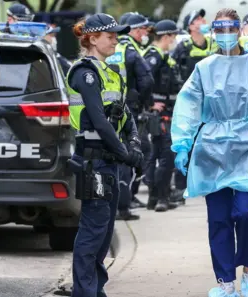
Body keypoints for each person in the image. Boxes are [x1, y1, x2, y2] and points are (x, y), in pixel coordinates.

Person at [171, 8, 248, 297]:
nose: (224, 36)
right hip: (213, 150)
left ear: (239, 31)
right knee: (219, 218)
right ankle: (225, 281)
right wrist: (182, 143)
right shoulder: (204, 68)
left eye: (229, 29)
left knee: (247, 213)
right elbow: (188, 105)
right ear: (214, 32)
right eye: (219, 30)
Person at [67, 13, 143, 297]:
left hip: (108, 162)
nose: (115, 40)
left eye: (116, 36)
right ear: (92, 39)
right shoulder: (84, 72)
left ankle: (95, 289)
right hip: (93, 161)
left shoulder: (110, 72)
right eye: (110, 36)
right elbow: (98, 120)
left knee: (104, 233)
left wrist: (134, 143)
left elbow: (126, 113)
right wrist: (125, 153)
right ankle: (85, 292)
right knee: (93, 231)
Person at [106, 13, 154, 219]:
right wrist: (139, 100)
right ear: (133, 29)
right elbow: (147, 79)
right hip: (126, 111)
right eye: (142, 29)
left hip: (102, 112)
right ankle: (123, 207)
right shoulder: (131, 50)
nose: (145, 33)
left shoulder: (106, 47)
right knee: (129, 154)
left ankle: (111, 204)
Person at [171, 8, 218, 204]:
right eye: (198, 19)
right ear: (190, 26)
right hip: (191, 102)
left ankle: (209, 182)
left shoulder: (213, 45)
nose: (202, 21)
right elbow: (172, 70)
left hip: (213, 102)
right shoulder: (183, 46)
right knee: (186, 142)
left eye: (202, 18)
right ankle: (180, 187)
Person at [143, 19, 183, 211]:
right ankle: (160, 198)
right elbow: (143, 82)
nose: (175, 40)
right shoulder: (153, 56)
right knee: (165, 156)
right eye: (174, 36)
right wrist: (150, 103)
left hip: (168, 112)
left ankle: (158, 196)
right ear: (167, 36)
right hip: (161, 116)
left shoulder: (164, 56)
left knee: (161, 155)